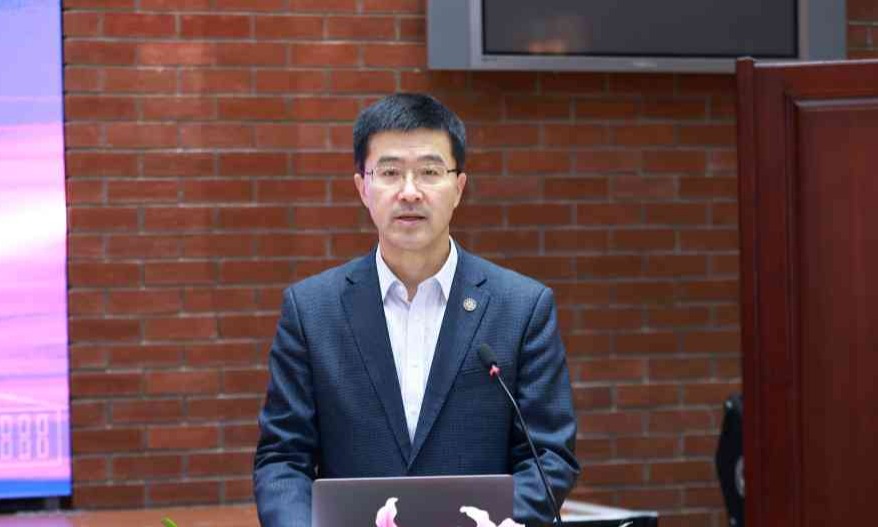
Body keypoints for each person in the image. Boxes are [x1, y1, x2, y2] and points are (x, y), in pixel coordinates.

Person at [253, 93, 579, 526]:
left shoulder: (521, 307)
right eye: (390, 172)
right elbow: (282, 459)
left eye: (429, 171)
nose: (409, 192)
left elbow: (549, 457)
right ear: (362, 188)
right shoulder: (312, 311)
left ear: (458, 188)